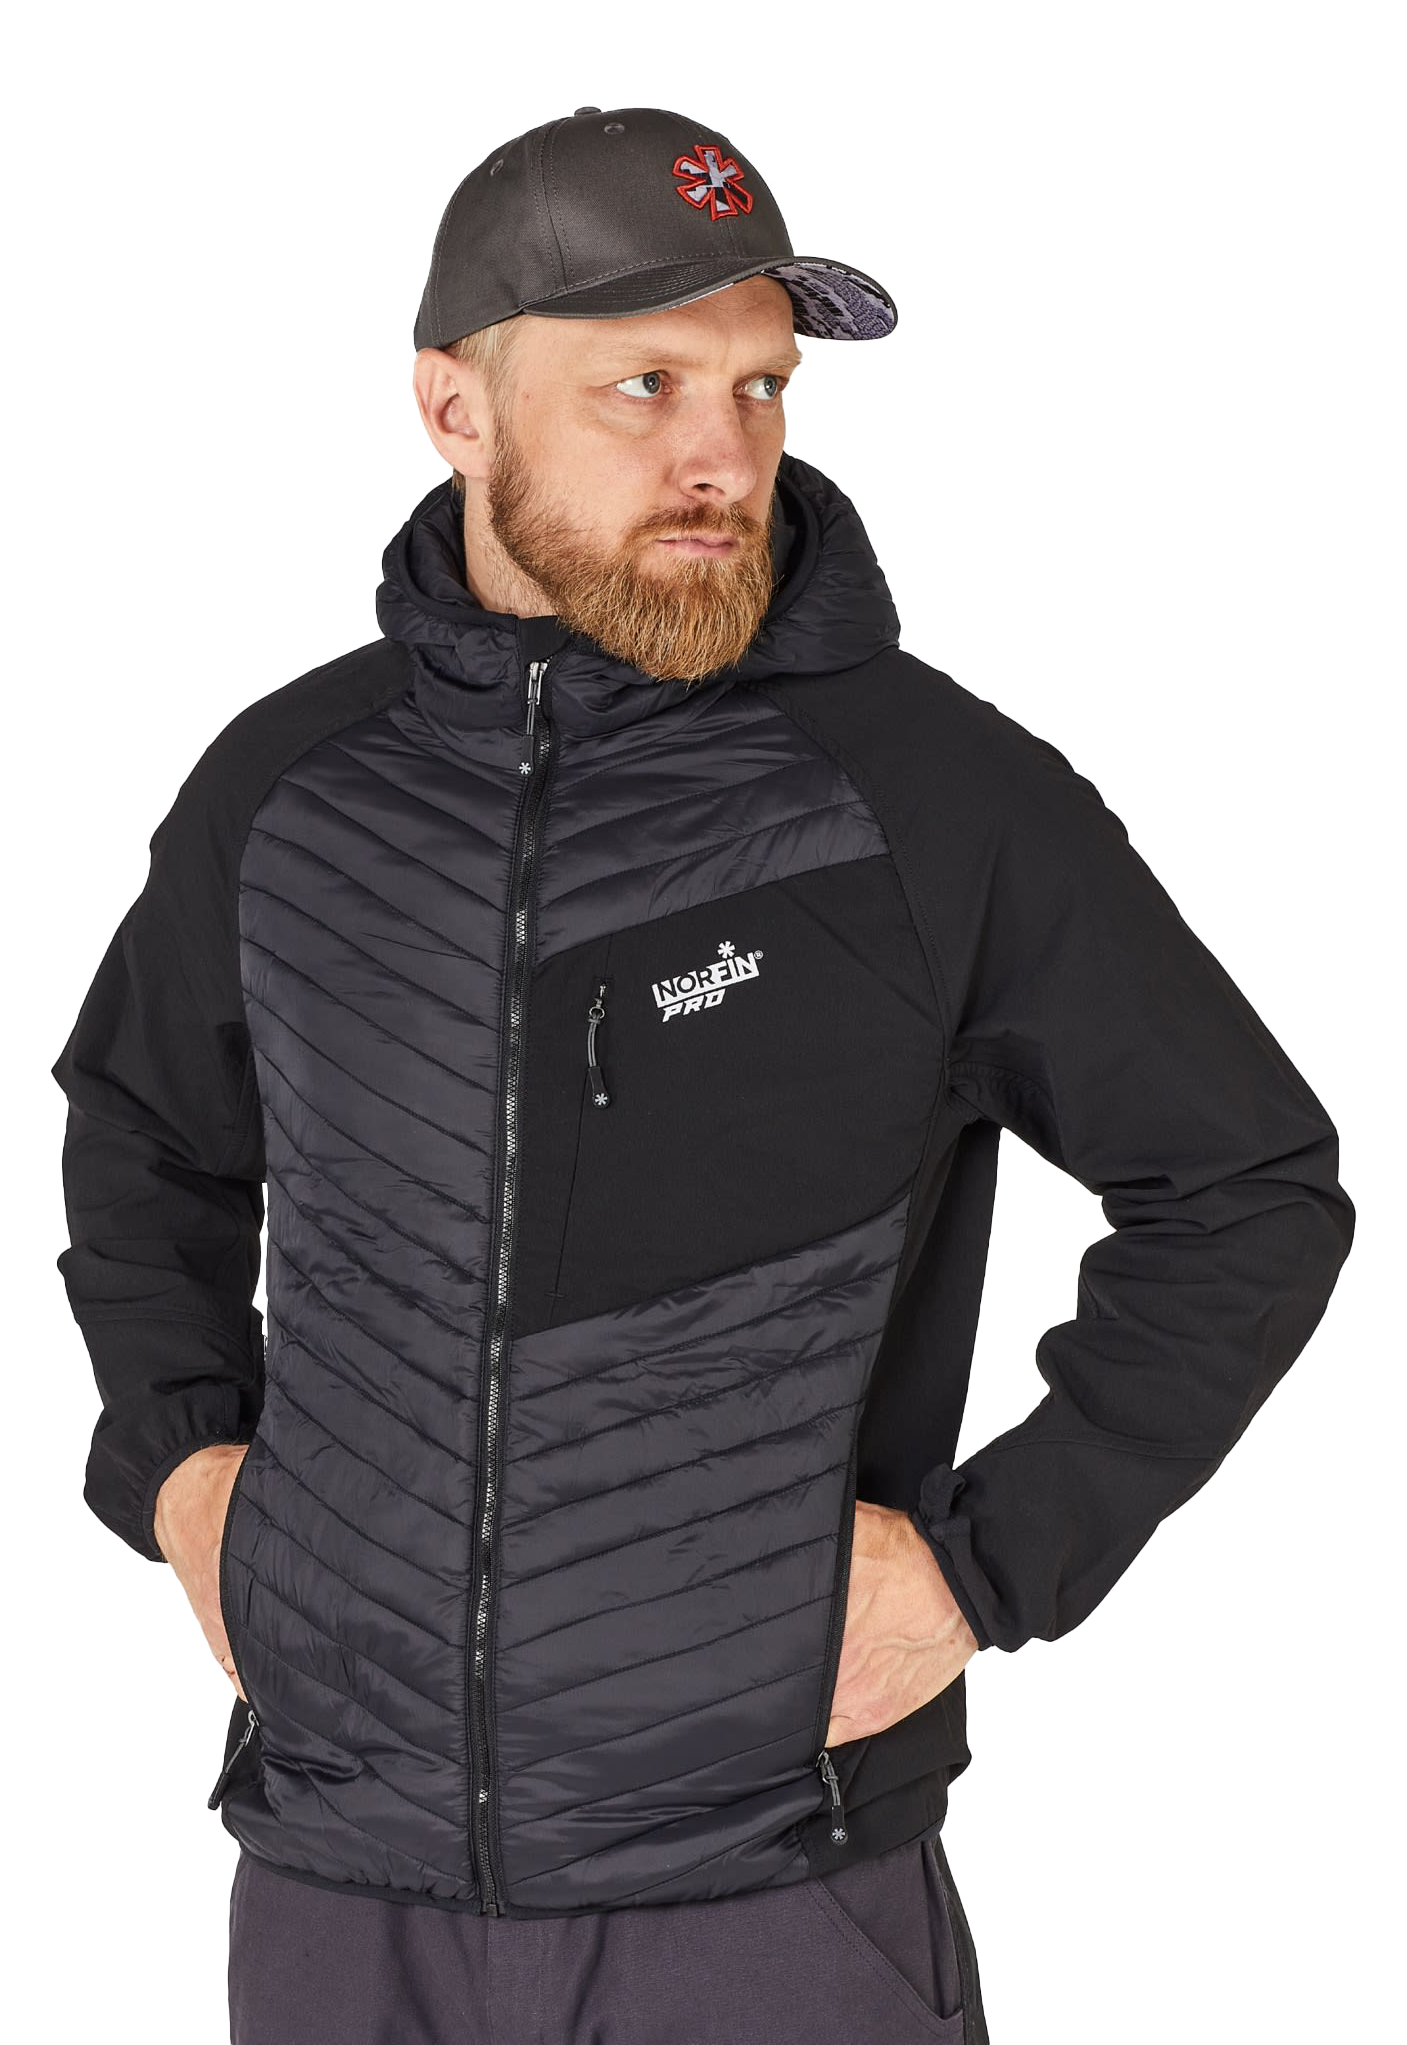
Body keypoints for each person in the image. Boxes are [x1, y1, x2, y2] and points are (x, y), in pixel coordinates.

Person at [50, 104, 1354, 2045]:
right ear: (454, 406)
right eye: (643, 383)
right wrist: (181, 1468)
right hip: (337, 1878)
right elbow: (148, 1133)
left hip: (763, 1893)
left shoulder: (928, 798)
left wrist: (984, 1570)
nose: (723, 453)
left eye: (759, 383)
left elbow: (1244, 1186)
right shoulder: (289, 790)